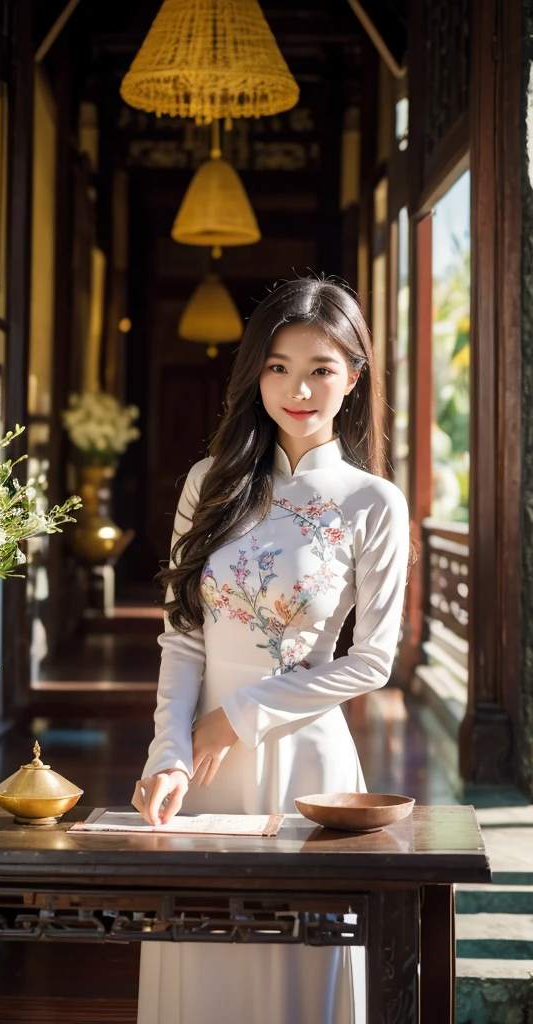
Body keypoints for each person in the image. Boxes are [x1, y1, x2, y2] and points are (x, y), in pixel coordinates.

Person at [132, 276, 412, 1024]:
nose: (298, 387)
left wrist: (238, 715)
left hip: (309, 773)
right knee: (206, 973)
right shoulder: (210, 484)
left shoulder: (372, 502)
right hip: (204, 774)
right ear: (255, 372)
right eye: (278, 365)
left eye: (322, 368)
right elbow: (183, 634)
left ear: (353, 379)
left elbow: (374, 659)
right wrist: (169, 750)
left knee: (298, 981)